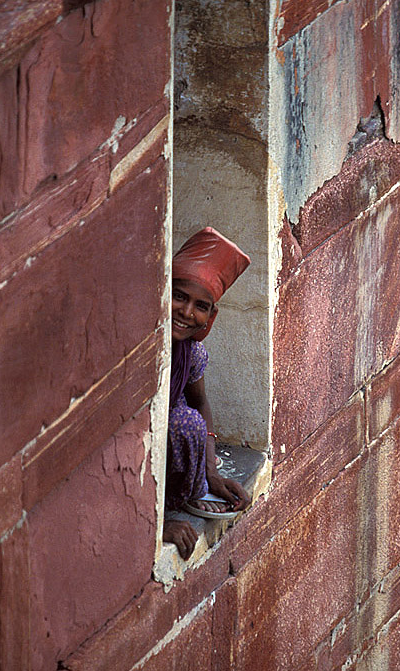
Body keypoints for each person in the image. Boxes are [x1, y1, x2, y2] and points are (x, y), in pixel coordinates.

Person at [162, 227, 253, 559]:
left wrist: (209, 472)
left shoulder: (192, 353)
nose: (187, 313)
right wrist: (156, 525)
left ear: (210, 317)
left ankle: (191, 488)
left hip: (172, 452)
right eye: (179, 296)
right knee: (183, 422)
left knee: (188, 420)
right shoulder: (140, 348)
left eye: (200, 306)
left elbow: (200, 402)